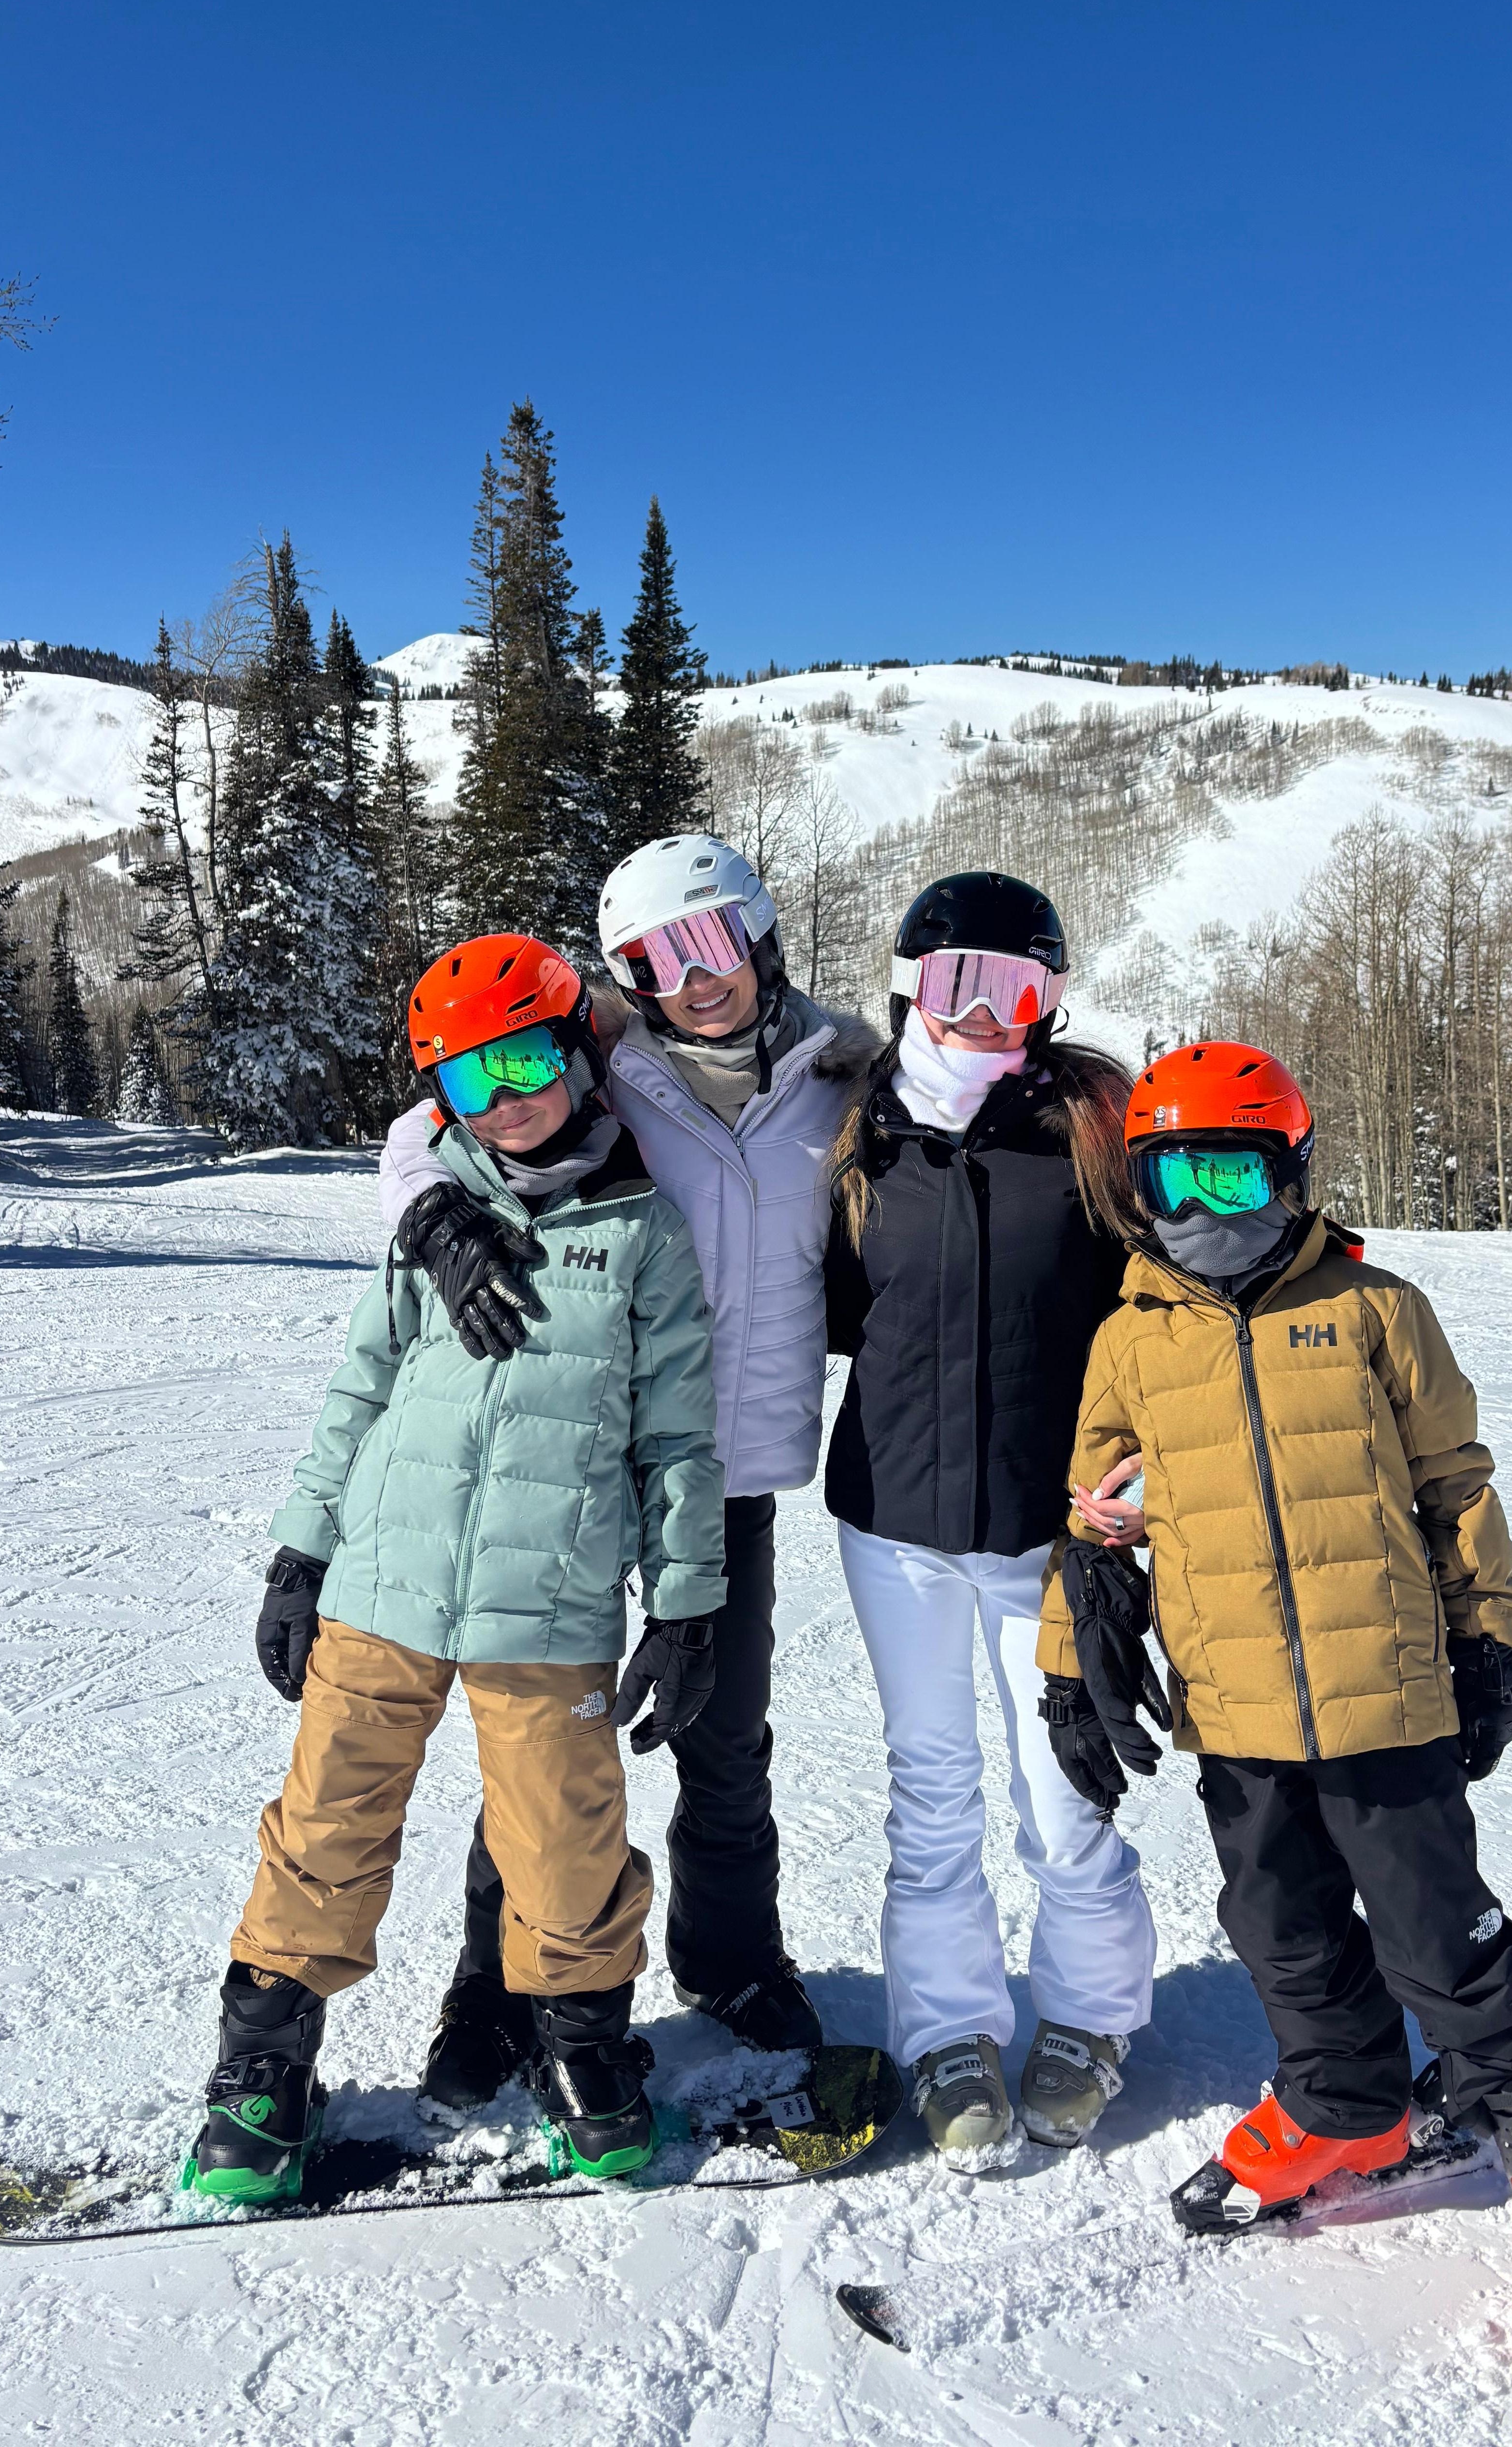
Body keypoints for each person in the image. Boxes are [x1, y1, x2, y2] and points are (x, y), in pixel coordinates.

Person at [1038, 1040, 1512, 2405]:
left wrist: (1488, 1636)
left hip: (1387, 1697)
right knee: (1278, 1927)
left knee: (1437, 1937)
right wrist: (1072, 1663)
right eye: (1172, 1179)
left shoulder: (1374, 1310)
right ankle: (1343, 2104)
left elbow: (1455, 1483)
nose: (1206, 1208)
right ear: (1136, 1191)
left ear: (1290, 1174)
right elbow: (1093, 1525)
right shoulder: (1130, 1339)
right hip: (1234, 1710)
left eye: (1234, 1174)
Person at [185, 934, 726, 2199]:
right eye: (472, 1080)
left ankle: (580, 2052)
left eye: (527, 1061)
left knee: (566, 1843)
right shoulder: (431, 1227)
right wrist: (301, 1551)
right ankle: (263, 2067)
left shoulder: (644, 1230)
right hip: (383, 1586)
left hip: (550, 1605)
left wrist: (687, 1605)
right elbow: (360, 1389)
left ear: (578, 1053)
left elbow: (677, 1438)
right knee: (325, 1825)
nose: (509, 1098)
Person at [378, 837, 877, 2102]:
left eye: (710, 943)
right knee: (541, 1746)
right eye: (654, 960)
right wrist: (432, 1215)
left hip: (729, 1466)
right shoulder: (603, 1062)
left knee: (725, 1736)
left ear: (760, 934)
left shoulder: (842, 1079)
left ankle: (734, 1961)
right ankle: (496, 1986)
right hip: (577, 1456)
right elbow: (426, 1127)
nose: (693, 981)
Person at [823, 870, 1158, 2163]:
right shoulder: (856, 1131)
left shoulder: (1091, 1126)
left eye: (1018, 987)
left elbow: (1181, 1297)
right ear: (910, 986)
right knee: (931, 1789)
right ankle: (948, 2031)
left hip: (1049, 1525)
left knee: (1064, 1784)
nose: (984, 1011)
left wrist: (1150, 1464)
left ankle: (1090, 2016)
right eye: (959, 981)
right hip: (892, 1519)